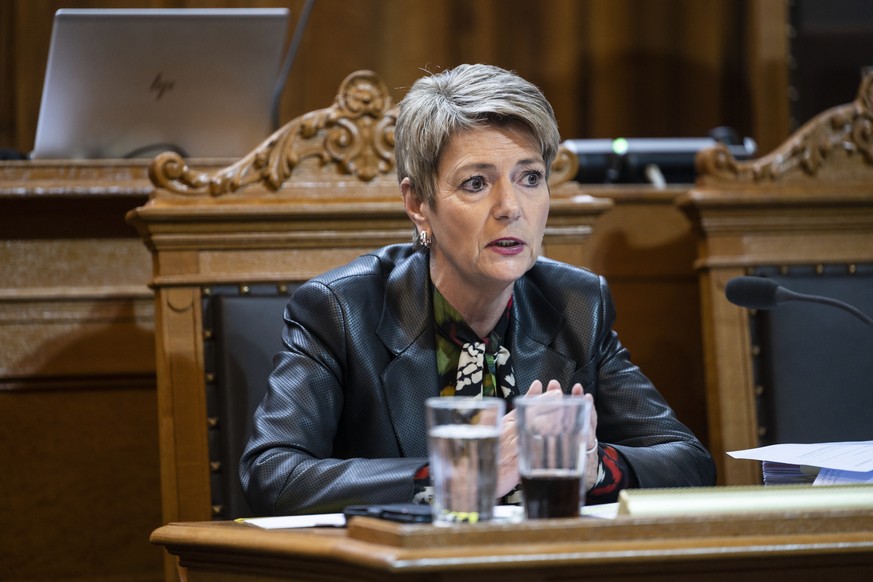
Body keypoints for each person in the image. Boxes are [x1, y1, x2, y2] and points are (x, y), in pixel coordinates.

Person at [240, 63, 716, 516]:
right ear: (418, 204)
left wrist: (594, 470)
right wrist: (465, 470)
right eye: (475, 183)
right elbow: (273, 475)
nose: (511, 207)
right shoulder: (341, 310)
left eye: (530, 178)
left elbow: (690, 463)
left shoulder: (576, 305)